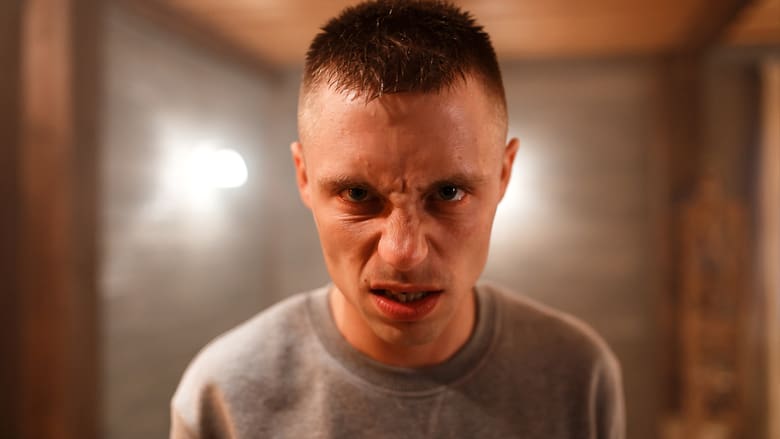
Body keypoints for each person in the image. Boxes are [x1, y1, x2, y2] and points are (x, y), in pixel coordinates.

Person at [170, 1, 625, 438]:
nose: (403, 253)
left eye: (448, 193)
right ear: (303, 176)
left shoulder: (577, 375)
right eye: (358, 194)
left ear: (503, 175)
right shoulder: (225, 395)